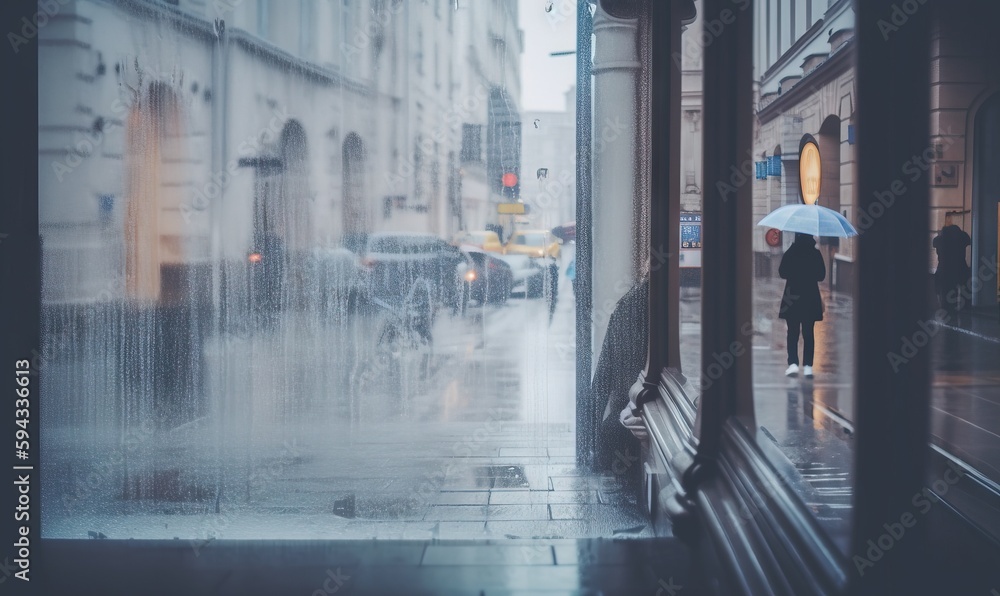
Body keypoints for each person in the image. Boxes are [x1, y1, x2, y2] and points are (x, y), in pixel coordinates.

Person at [778, 233, 826, 378]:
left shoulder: (791, 252)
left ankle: (793, 364)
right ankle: (808, 367)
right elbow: (821, 275)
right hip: (810, 298)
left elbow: (782, 272)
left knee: (792, 332)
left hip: (792, 297)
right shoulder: (815, 253)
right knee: (808, 333)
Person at [932, 214, 972, 312]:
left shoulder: (940, 239)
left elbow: (934, 243)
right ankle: (964, 308)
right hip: (960, 266)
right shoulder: (962, 236)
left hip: (944, 267)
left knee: (947, 290)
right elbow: (968, 240)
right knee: (965, 289)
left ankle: (947, 308)